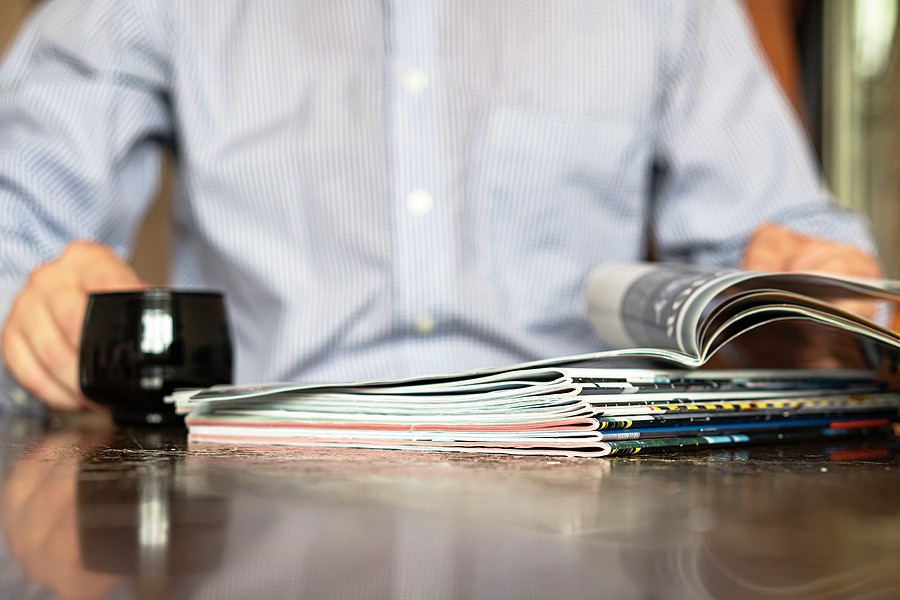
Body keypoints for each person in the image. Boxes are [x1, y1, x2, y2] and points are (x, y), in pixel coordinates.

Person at [0, 0, 882, 415]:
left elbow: (791, 239)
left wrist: (819, 291)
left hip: (591, 489)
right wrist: (36, 299)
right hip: (244, 480)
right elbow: (15, 217)